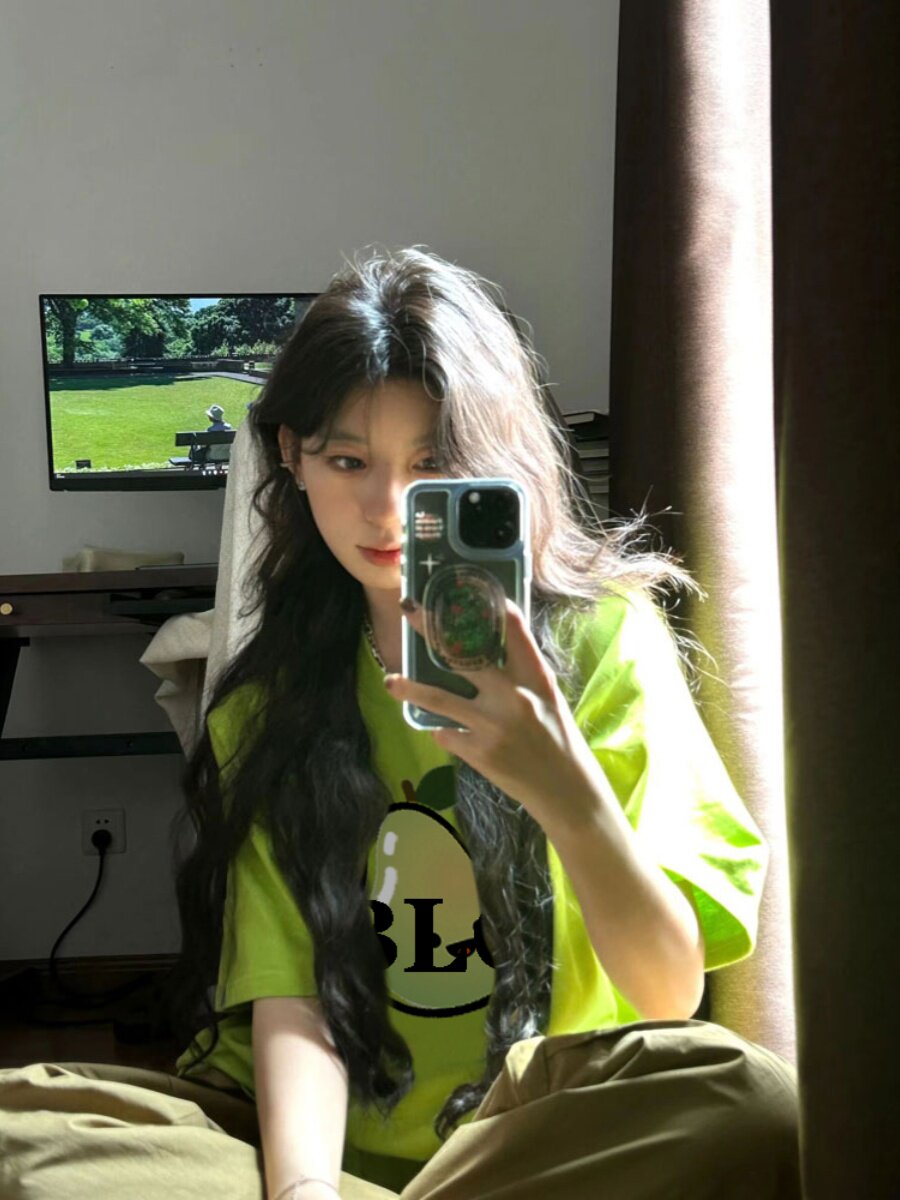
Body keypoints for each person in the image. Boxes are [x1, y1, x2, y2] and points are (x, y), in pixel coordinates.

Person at [0, 248, 799, 1200]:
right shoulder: (271, 699)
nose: (386, 508)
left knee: (752, 1100)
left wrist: (568, 796)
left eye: (434, 465)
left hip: (542, 1137)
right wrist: (304, 1192)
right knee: (23, 1130)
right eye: (349, 461)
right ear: (291, 456)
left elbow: (668, 997)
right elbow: (294, 1001)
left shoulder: (604, 646)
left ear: (493, 467)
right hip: (317, 1152)